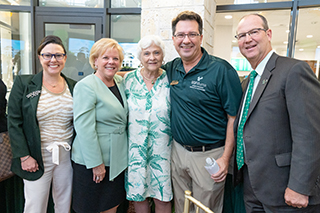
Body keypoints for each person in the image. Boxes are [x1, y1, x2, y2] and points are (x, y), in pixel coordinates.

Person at [234, 13, 320, 212]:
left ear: (269, 34)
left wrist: (300, 186)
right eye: (241, 35)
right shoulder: (249, 81)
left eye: (254, 32)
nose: (248, 39)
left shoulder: (293, 70)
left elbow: (310, 133)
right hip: (253, 185)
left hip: (286, 190)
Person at [162, 11, 242, 213]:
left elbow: (234, 118)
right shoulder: (171, 69)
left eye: (192, 34)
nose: (186, 40)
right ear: (173, 39)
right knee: (181, 207)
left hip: (210, 156)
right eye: (180, 35)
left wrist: (225, 158)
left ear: (201, 37)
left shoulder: (221, 70)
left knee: (205, 209)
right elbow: (144, 73)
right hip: (178, 152)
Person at [8, 35, 76, 213]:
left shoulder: (74, 86)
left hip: (66, 155)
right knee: (35, 206)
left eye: (58, 55)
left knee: (63, 203)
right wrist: (24, 156)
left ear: (65, 58)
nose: (53, 60)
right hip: (36, 156)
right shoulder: (24, 84)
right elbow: (14, 121)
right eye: (48, 55)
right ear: (40, 57)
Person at [71, 38, 128, 213]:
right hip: (93, 162)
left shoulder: (119, 82)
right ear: (95, 61)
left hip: (117, 160)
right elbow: (84, 128)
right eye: (105, 58)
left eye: (116, 58)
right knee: (91, 208)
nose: (111, 62)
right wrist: (96, 163)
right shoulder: (85, 86)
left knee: (111, 206)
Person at [124, 35, 172, 213]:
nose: (152, 57)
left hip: (164, 151)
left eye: (156, 53)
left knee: (163, 198)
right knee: (139, 197)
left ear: (162, 56)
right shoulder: (128, 80)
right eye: (147, 53)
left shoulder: (171, 80)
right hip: (135, 152)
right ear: (140, 57)